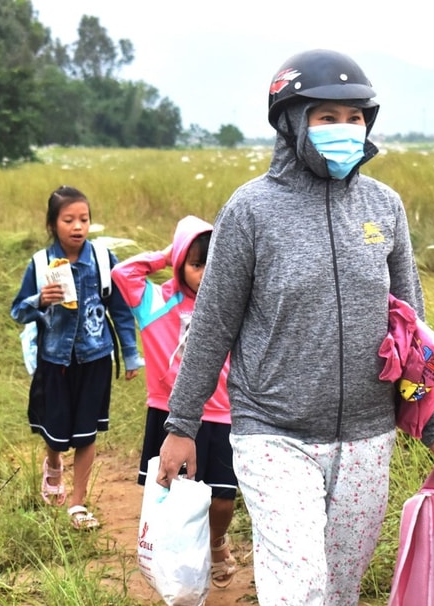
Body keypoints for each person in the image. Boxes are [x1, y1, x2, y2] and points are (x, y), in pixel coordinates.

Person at [156, 49, 434, 604]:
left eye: (355, 117)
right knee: (300, 585)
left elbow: (413, 334)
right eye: (327, 117)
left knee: (341, 588)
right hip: (273, 430)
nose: (345, 129)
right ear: (292, 122)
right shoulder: (251, 210)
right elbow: (213, 325)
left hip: (369, 435)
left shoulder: (384, 207)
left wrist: (433, 425)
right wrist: (181, 424)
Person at [111, 215, 239, 588]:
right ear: (182, 263)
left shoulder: (230, 305)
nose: (205, 274)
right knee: (171, 493)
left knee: (222, 498)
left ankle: (216, 543)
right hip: (168, 416)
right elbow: (124, 274)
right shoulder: (157, 302)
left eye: (213, 265)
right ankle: (175, 560)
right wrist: (169, 253)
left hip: (220, 414)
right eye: (197, 264)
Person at [11, 185, 142, 531]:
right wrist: (40, 300)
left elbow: (120, 310)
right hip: (55, 361)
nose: (77, 226)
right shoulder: (40, 264)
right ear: (53, 224)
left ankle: (78, 503)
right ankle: (53, 462)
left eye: (84, 219)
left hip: (96, 358)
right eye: (68, 219)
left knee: (86, 434)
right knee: (56, 433)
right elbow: (17, 312)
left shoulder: (101, 259)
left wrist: (131, 355)